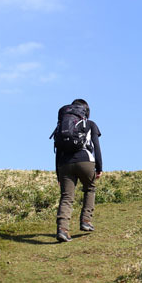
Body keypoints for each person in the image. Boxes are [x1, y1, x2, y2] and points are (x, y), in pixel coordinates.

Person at [53, 98, 103, 243]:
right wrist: (99, 168)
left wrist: (58, 175)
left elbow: (58, 151)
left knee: (67, 197)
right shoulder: (90, 124)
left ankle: (62, 230)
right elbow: (97, 147)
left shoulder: (62, 126)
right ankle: (86, 221)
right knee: (90, 189)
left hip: (64, 164)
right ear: (86, 111)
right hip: (85, 161)